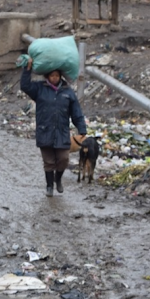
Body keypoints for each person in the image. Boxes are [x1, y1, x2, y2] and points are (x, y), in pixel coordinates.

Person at [20, 57, 87, 197]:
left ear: (60, 76)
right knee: (49, 162)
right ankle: (49, 186)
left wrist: (82, 129)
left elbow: (76, 112)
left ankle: (58, 179)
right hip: (45, 131)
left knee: (63, 159)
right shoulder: (39, 89)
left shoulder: (68, 92)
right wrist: (27, 70)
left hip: (62, 132)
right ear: (47, 77)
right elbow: (25, 86)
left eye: (57, 75)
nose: (54, 78)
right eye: (52, 76)